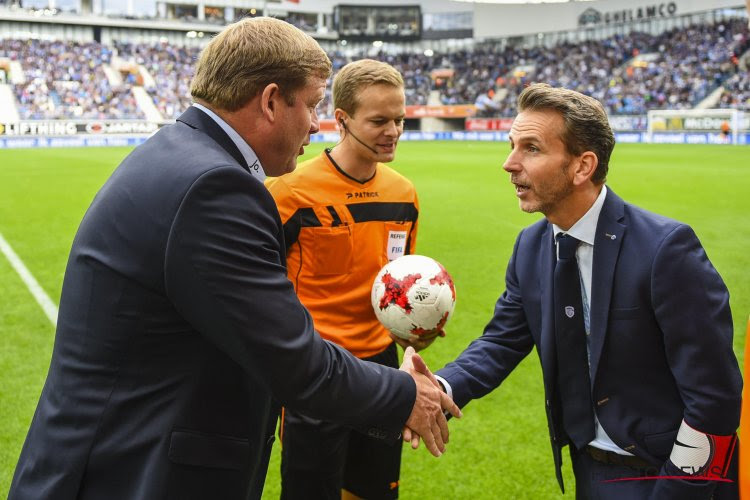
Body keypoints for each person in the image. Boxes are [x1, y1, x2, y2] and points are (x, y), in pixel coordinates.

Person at [8, 18, 459, 500]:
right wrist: (404, 394)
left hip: (110, 458)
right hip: (131, 471)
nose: (314, 123)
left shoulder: (178, 153)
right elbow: (292, 359)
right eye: (309, 105)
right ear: (269, 101)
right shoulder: (216, 188)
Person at [432, 83, 742, 499]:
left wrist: (677, 487)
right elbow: (502, 341)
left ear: (582, 166)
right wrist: (439, 388)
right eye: (511, 145)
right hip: (590, 471)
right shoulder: (530, 246)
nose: (509, 163)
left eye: (531, 148)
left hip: (663, 475)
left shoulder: (666, 250)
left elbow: (715, 396)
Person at [266, 59, 437, 500]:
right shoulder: (287, 194)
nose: (394, 131)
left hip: (381, 372)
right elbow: (264, 297)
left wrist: (415, 337)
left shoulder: (404, 193)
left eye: (399, 119)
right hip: (317, 373)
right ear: (340, 120)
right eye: (379, 120)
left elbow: (402, 285)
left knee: (374, 493)